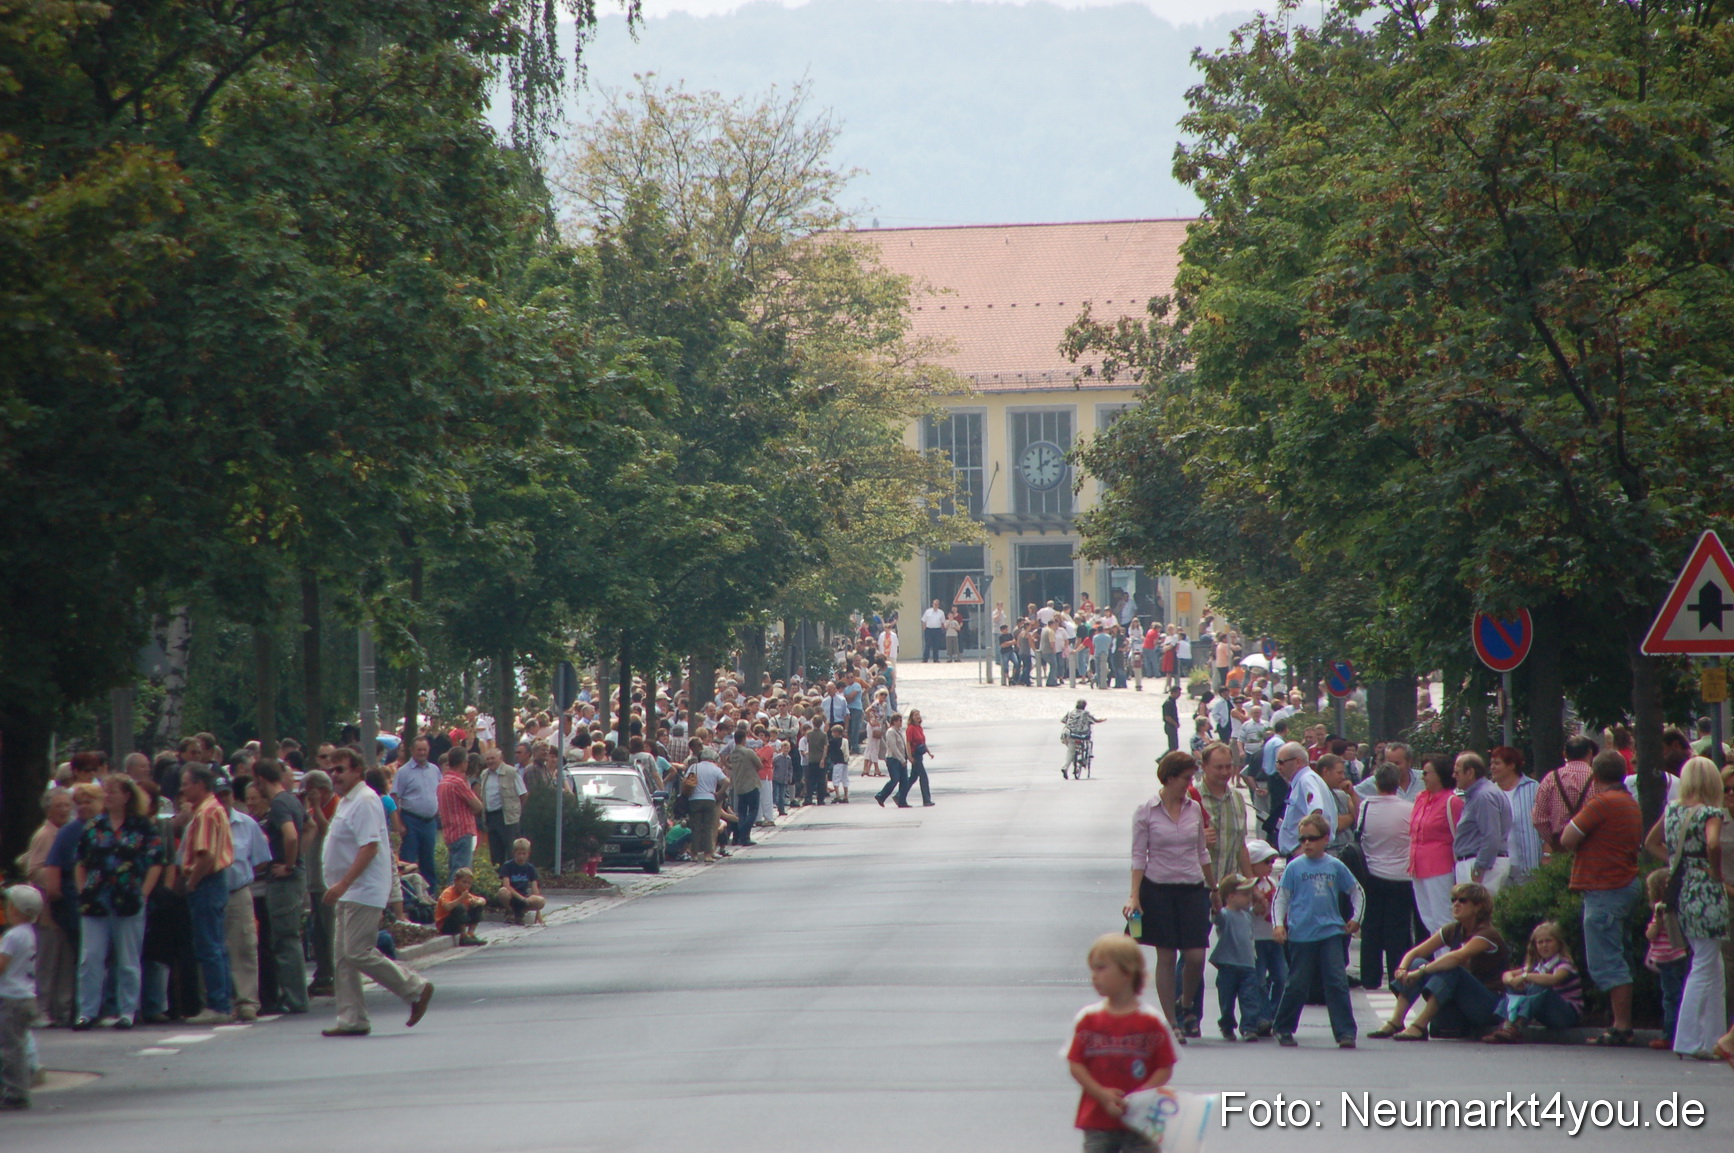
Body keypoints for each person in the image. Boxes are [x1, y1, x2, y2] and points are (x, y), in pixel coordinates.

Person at [320, 748, 434, 1037]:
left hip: (362, 888)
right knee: (343, 957)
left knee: (357, 951)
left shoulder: (366, 800)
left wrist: (343, 883)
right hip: (347, 890)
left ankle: (415, 988)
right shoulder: (347, 801)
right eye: (332, 770)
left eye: (341, 769)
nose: (335, 775)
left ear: (357, 771)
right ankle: (352, 1018)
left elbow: (369, 847)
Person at [1125, 750, 1214, 1041]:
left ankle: (1186, 1002)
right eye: (1187, 778)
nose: (1191, 783)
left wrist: (1213, 888)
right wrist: (1134, 896)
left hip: (1191, 886)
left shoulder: (1194, 809)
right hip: (1159, 887)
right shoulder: (1146, 811)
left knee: (1196, 955)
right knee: (1166, 955)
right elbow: (1139, 856)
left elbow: (1202, 851)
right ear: (1170, 777)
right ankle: (1172, 1020)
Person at [1642, 756, 1726, 1059]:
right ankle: (1689, 1039)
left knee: (1711, 964)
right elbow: (1714, 844)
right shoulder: (1711, 813)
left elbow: (1651, 842)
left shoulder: (1673, 810)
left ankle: (1713, 1039)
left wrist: (1678, 861)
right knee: (1704, 965)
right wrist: (1714, 871)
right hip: (1706, 891)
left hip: (1683, 889)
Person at [1559, 750, 1644, 1046]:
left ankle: (1621, 1027)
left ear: (1595, 776)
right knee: (1620, 954)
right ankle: (1621, 1023)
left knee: (1607, 960)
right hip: (1624, 884)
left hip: (1604, 888)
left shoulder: (1603, 803)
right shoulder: (1629, 803)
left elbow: (1568, 838)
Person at [1065, 935, 1176, 1153]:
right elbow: (1076, 1064)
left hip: (1141, 1122)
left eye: (1101, 969)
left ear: (1127, 972)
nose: (1094, 977)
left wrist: (1138, 1097)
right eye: (1093, 970)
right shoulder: (1088, 1019)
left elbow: (1165, 1067)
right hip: (1098, 1119)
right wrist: (1102, 1094)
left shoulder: (1151, 1021)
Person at [72, 774, 164, 1029]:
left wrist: (143, 893)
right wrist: (83, 890)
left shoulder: (142, 827)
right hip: (96, 899)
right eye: (106, 792)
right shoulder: (94, 826)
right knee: (90, 957)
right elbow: (81, 862)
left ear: (126, 796)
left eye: (113, 792)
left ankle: (127, 1011)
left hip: (129, 899)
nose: (108, 796)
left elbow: (157, 861)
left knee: (127, 959)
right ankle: (87, 1011)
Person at [1270, 812, 1362, 1048]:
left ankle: (1345, 1032)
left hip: (1330, 931)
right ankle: (1283, 1026)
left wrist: (1356, 918)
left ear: (1325, 839)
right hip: (1301, 934)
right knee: (1298, 983)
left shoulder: (1334, 865)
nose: (1307, 844)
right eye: (1303, 839)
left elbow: (1356, 891)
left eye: (1312, 838)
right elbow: (1281, 898)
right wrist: (1278, 924)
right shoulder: (1294, 867)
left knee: (1336, 981)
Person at [1370, 882, 1507, 1041]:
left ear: (1478, 907)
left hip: (1488, 1005)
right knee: (1417, 962)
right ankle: (1396, 1021)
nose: (1456, 904)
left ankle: (1419, 1026)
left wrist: (1421, 971)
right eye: (1453, 900)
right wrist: (1403, 968)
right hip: (1461, 1002)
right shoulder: (1454, 929)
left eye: (1462, 900)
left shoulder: (1487, 934)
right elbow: (1416, 952)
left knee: (1451, 967)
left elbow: (1457, 957)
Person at [177, 765, 235, 1025]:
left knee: (209, 945)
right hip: (217, 881)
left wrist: (192, 882)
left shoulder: (205, 813)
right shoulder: (216, 808)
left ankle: (217, 1004)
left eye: (186, 783)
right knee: (217, 945)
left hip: (207, 882)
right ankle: (222, 1000)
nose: (182, 789)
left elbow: (206, 854)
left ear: (200, 784)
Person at [251, 760, 309, 1015]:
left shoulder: (278, 805)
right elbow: (311, 828)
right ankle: (294, 995)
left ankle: (295, 998)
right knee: (289, 936)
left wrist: (288, 864)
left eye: (256, 782)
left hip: (283, 881)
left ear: (263, 779)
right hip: (295, 877)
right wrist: (299, 861)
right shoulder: (292, 799)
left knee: (285, 938)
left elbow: (291, 835)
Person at [1354, 763, 1415, 990]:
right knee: (1398, 929)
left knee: (1371, 927)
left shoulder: (1367, 806)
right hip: (1402, 876)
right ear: (1398, 783)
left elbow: (1359, 835)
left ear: (1376, 782)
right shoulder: (1409, 808)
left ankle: (1370, 977)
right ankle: (1397, 976)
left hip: (1373, 874)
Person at [219, 773, 271, 1022]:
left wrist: (242, 874)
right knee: (214, 949)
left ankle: (247, 1001)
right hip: (210, 893)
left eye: (226, 794)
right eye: (217, 795)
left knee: (245, 946)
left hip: (238, 891)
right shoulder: (200, 823)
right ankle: (220, 1001)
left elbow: (261, 860)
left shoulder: (247, 824)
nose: (222, 799)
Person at [26, 788, 77, 1027]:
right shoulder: (45, 835)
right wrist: (58, 881)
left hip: (66, 909)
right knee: (47, 961)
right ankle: (42, 1009)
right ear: (48, 809)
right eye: (59, 806)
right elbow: (33, 869)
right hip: (48, 910)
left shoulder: (67, 833)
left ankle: (63, 1009)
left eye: (67, 805)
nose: (64, 810)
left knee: (66, 961)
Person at [1484, 921, 1582, 1043]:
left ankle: (1516, 1027)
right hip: (1546, 1014)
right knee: (1514, 985)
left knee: (1540, 983)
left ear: (1558, 943)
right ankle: (1507, 1026)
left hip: (1565, 1015)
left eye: (1548, 941)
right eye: (1540, 942)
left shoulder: (1564, 964)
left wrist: (1525, 977)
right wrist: (1512, 980)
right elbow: (1506, 975)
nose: (1544, 945)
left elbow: (1554, 979)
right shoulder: (1536, 966)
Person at [1407, 754, 1464, 934]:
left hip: (1440, 866)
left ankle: (1448, 958)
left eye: (1426, 773)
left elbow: (1459, 835)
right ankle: (1438, 959)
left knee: (1443, 918)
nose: (1422, 777)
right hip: (1417, 866)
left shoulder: (1451, 801)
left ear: (1440, 775)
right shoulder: (1420, 798)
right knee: (1428, 919)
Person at [0, 886, 44, 1111]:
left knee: (11, 1048)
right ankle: (23, 1080)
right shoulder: (29, 933)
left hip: (11, 998)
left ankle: (16, 1093)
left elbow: (2, 965)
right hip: (27, 996)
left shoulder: (12, 935)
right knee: (20, 1044)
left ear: (14, 909)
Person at [1211, 874, 1267, 1041]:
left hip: (1248, 965)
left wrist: (1260, 900)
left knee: (1250, 998)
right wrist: (1215, 904)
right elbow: (1217, 916)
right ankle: (1227, 1024)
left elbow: (1258, 909)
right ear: (1230, 896)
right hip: (1228, 965)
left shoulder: (1247, 914)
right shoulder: (1225, 915)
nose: (1248, 898)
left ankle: (1249, 1027)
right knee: (1227, 1000)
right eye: (1244, 894)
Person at [1642, 867, 1690, 1051]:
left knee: (1671, 998)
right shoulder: (1670, 909)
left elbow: (1651, 934)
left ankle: (1670, 1035)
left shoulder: (1664, 910)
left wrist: (1657, 920)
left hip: (1670, 957)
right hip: (1672, 956)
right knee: (1675, 995)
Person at [1451, 752, 1512, 895]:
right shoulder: (1478, 794)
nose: (1454, 776)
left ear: (1470, 772)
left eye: (1457, 772)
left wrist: (1479, 868)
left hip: (1481, 865)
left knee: (1477, 912)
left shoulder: (1483, 796)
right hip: (1478, 862)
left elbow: (1491, 836)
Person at [390, 737, 442, 890]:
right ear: (412, 751)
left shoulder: (435, 770)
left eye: (424, 749)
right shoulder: (404, 772)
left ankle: (430, 894)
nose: (422, 752)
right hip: (411, 821)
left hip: (430, 822)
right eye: (418, 749)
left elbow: (438, 791)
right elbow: (395, 797)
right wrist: (399, 824)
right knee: (409, 861)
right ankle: (408, 895)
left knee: (429, 860)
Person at [1532, 735, 1597, 856]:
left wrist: (1553, 842)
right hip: (1592, 846)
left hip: (1561, 846)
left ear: (1564, 754)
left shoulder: (1550, 779)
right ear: (1590, 753)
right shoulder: (1598, 779)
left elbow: (1538, 818)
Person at [1490, 746, 1541, 885]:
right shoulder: (1489, 793)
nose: (1492, 767)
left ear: (1511, 765)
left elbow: (1544, 823)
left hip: (1528, 864)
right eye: (1491, 763)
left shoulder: (1533, 788)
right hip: (1498, 866)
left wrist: (1547, 854)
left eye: (1497, 763)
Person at [1274, 741, 1333, 855]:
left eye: (1281, 762)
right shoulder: (1302, 780)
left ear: (1297, 762)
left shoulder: (1306, 780)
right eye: (1277, 763)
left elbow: (1316, 811)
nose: (1278, 767)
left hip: (1305, 853)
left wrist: (1307, 846)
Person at [436, 747, 483, 886]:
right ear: (463, 762)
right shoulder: (458, 782)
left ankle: (450, 901)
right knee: (462, 873)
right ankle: (454, 904)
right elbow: (478, 805)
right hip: (463, 830)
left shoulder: (443, 782)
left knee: (454, 869)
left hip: (450, 832)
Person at [478, 747, 527, 868]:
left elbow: (523, 794)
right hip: (491, 818)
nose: (490, 761)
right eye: (487, 759)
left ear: (500, 758)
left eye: (493, 758)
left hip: (507, 818)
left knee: (511, 851)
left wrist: (515, 811)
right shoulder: (484, 774)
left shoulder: (511, 772)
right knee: (495, 854)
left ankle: (514, 880)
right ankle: (499, 880)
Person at [684, 739, 730, 861]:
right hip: (710, 799)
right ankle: (708, 854)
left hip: (695, 799)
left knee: (696, 827)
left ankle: (694, 854)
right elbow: (726, 781)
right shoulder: (715, 769)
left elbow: (688, 783)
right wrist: (718, 793)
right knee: (708, 827)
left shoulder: (694, 767)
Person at [494, 839, 547, 925]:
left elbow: (535, 889)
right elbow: (506, 885)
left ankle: (521, 913)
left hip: (524, 897)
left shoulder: (530, 868)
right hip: (512, 896)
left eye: (524, 854)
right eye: (519, 854)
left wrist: (538, 913)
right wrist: (521, 898)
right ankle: (510, 911)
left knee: (540, 900)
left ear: (528, 854)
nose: (521, 856)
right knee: (503, 891)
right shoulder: (508, 866)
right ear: (514, 853)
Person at [434, 868, 486, 946]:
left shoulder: (465, 893)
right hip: (445, 925)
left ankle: (471, 934)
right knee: (459, 907)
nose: (466, 885)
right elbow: (447, 907)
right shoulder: (448, 892)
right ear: (456, 881)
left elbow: (482, 900)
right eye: (464, 882)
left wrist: (477, 902)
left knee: (478, 906)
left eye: (469, 883)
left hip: (459, 922)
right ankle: (463, 937)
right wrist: (461, 898)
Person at [897, 709, 934, 807]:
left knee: (913, 778)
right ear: (911, 717)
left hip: (920, 754)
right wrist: (909, 756)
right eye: (915, 715)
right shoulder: (911, 728)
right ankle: (926, 800)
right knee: (924, 777)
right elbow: (908, 743)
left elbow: (922, 742)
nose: (917, 717)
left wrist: (929, 753)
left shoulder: (919, 728)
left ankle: (899, 795)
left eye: (918, 715)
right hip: (915, 755)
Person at [876, 712, 911, 808]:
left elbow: (902, 746)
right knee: (894, 779)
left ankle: (902, 801)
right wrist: (901, 759)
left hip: (902, 758)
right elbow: (893, 747)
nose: (901, 723)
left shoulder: (899, 731)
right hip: (893, 759)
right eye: (899, 721)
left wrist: (906, 757)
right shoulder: (891, 732)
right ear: (894, 721)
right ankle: (881, 796)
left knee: (905, 781)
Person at [1062, 699, 1104, 779]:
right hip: (1083, 735)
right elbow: (1094, 720)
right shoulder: (1086, 713)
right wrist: (1102, 720)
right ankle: (1083, 759)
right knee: (1084, 744)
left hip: (1071, 734)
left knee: (1070, 751)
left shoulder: (1070, 712)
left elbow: (1063, 720)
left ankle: (1065, 767)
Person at [920, 599, 946, 663]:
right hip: (928, 630)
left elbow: (943, 622)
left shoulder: (941, 612)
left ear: (938, 605)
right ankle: (925, 659)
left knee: (936, 645)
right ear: (932, 604)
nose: (935, 605)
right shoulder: (928, 611)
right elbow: (924, 621)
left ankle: (936, 659)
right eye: (934, 604)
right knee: (927, 645)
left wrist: (942, 630)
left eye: (937, 604)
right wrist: (924, 628)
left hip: (937, 630)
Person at [1161, 686, 1180, 754]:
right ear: (1173, 693)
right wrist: (1175, 723)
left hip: (1172, 726)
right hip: (1170, 726)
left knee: (1174, 746)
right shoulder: (1168, 703)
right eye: (1178, 693)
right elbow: (1167, 717)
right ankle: (1162, 759)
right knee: (1173, 747)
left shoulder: (1173, 702)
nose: (1179, 695)